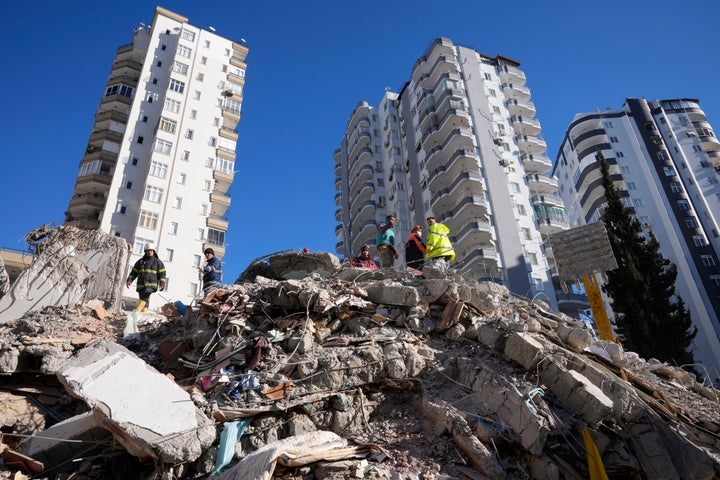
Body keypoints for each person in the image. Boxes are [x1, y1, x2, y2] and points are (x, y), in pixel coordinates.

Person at [126, 243, 166, 312]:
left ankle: (137, 312)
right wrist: (129, 280)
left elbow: (162, 274)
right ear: (145, 251)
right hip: (141, 285)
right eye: (148, 250)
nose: (149, 252)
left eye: (151, 250)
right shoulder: (140, 262)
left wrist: (162, 283)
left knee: (145, 297)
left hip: (151, 285)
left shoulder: (158, 262)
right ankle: (144, 314)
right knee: (144, 300)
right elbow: (134, 272)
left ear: (154, 251)